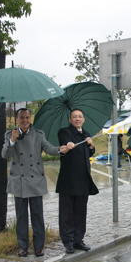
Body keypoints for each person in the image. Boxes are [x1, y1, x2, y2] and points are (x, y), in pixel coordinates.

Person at [2, 108, 69, 258]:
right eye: (21, 118)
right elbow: (4, 155)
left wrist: (60, 149)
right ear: (17, 119)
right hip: (19, 181)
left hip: (35, 180)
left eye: (27, 117)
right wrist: (12, 141)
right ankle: (23, 246)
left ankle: (39, 247)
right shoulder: (9, 135)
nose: (24, 120)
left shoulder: (39, 134)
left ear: (30, 119)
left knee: (37, 216)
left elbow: (48, 148)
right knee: (21, 217)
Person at [56, 109, 99, 254]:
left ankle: (78, 240)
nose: (77, 119)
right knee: (66, 213)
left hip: (83, 180)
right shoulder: (64, 131)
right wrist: (68, 145)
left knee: (81, 212)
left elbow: (90, 152)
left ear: (84, 119)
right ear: (70, 119)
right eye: (74, 117)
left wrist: (91, 145)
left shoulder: (86, 134)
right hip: (68, 180)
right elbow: (64, 141)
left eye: (80, 116)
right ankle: (67, 241)